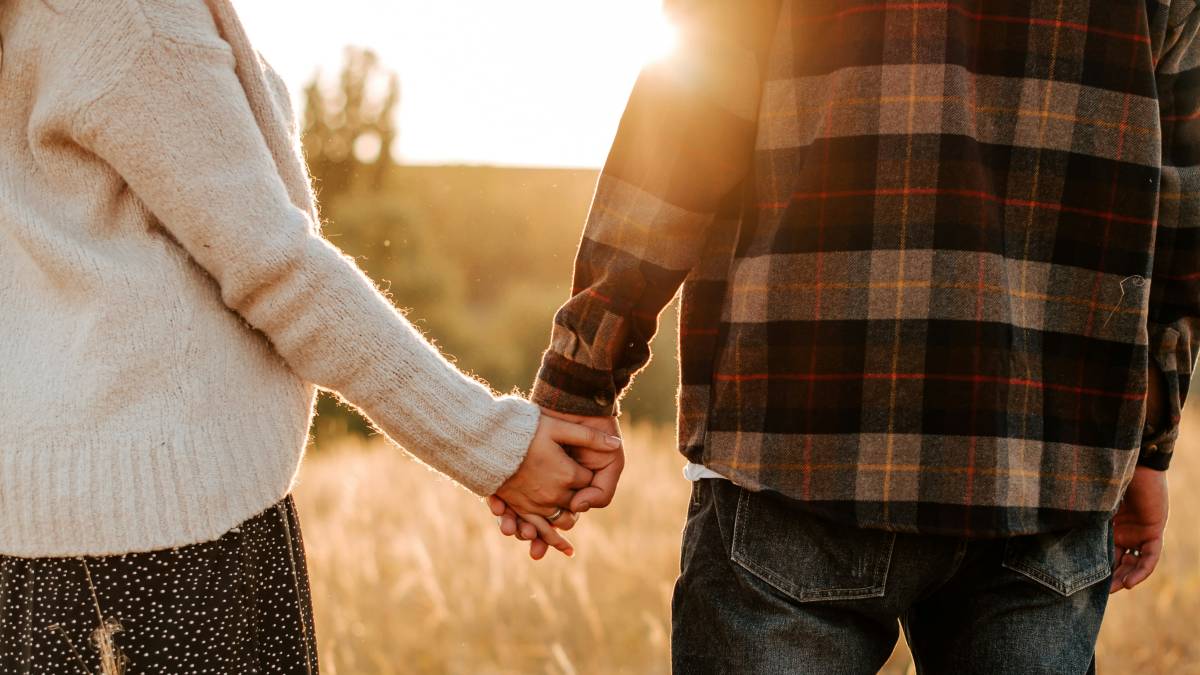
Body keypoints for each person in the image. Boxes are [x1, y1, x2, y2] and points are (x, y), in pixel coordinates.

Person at [495, 0, 1195, 672]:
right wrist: (1150, 438)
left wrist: (580, 380)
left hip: (798, 440)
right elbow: (1184, 190)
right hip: (1048, 456)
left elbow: (689, 111)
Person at [0, 0, 618, 671]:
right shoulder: (129, 15)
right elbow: (277, 270)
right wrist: (494, 445)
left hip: (35, 539)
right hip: (174, 539)